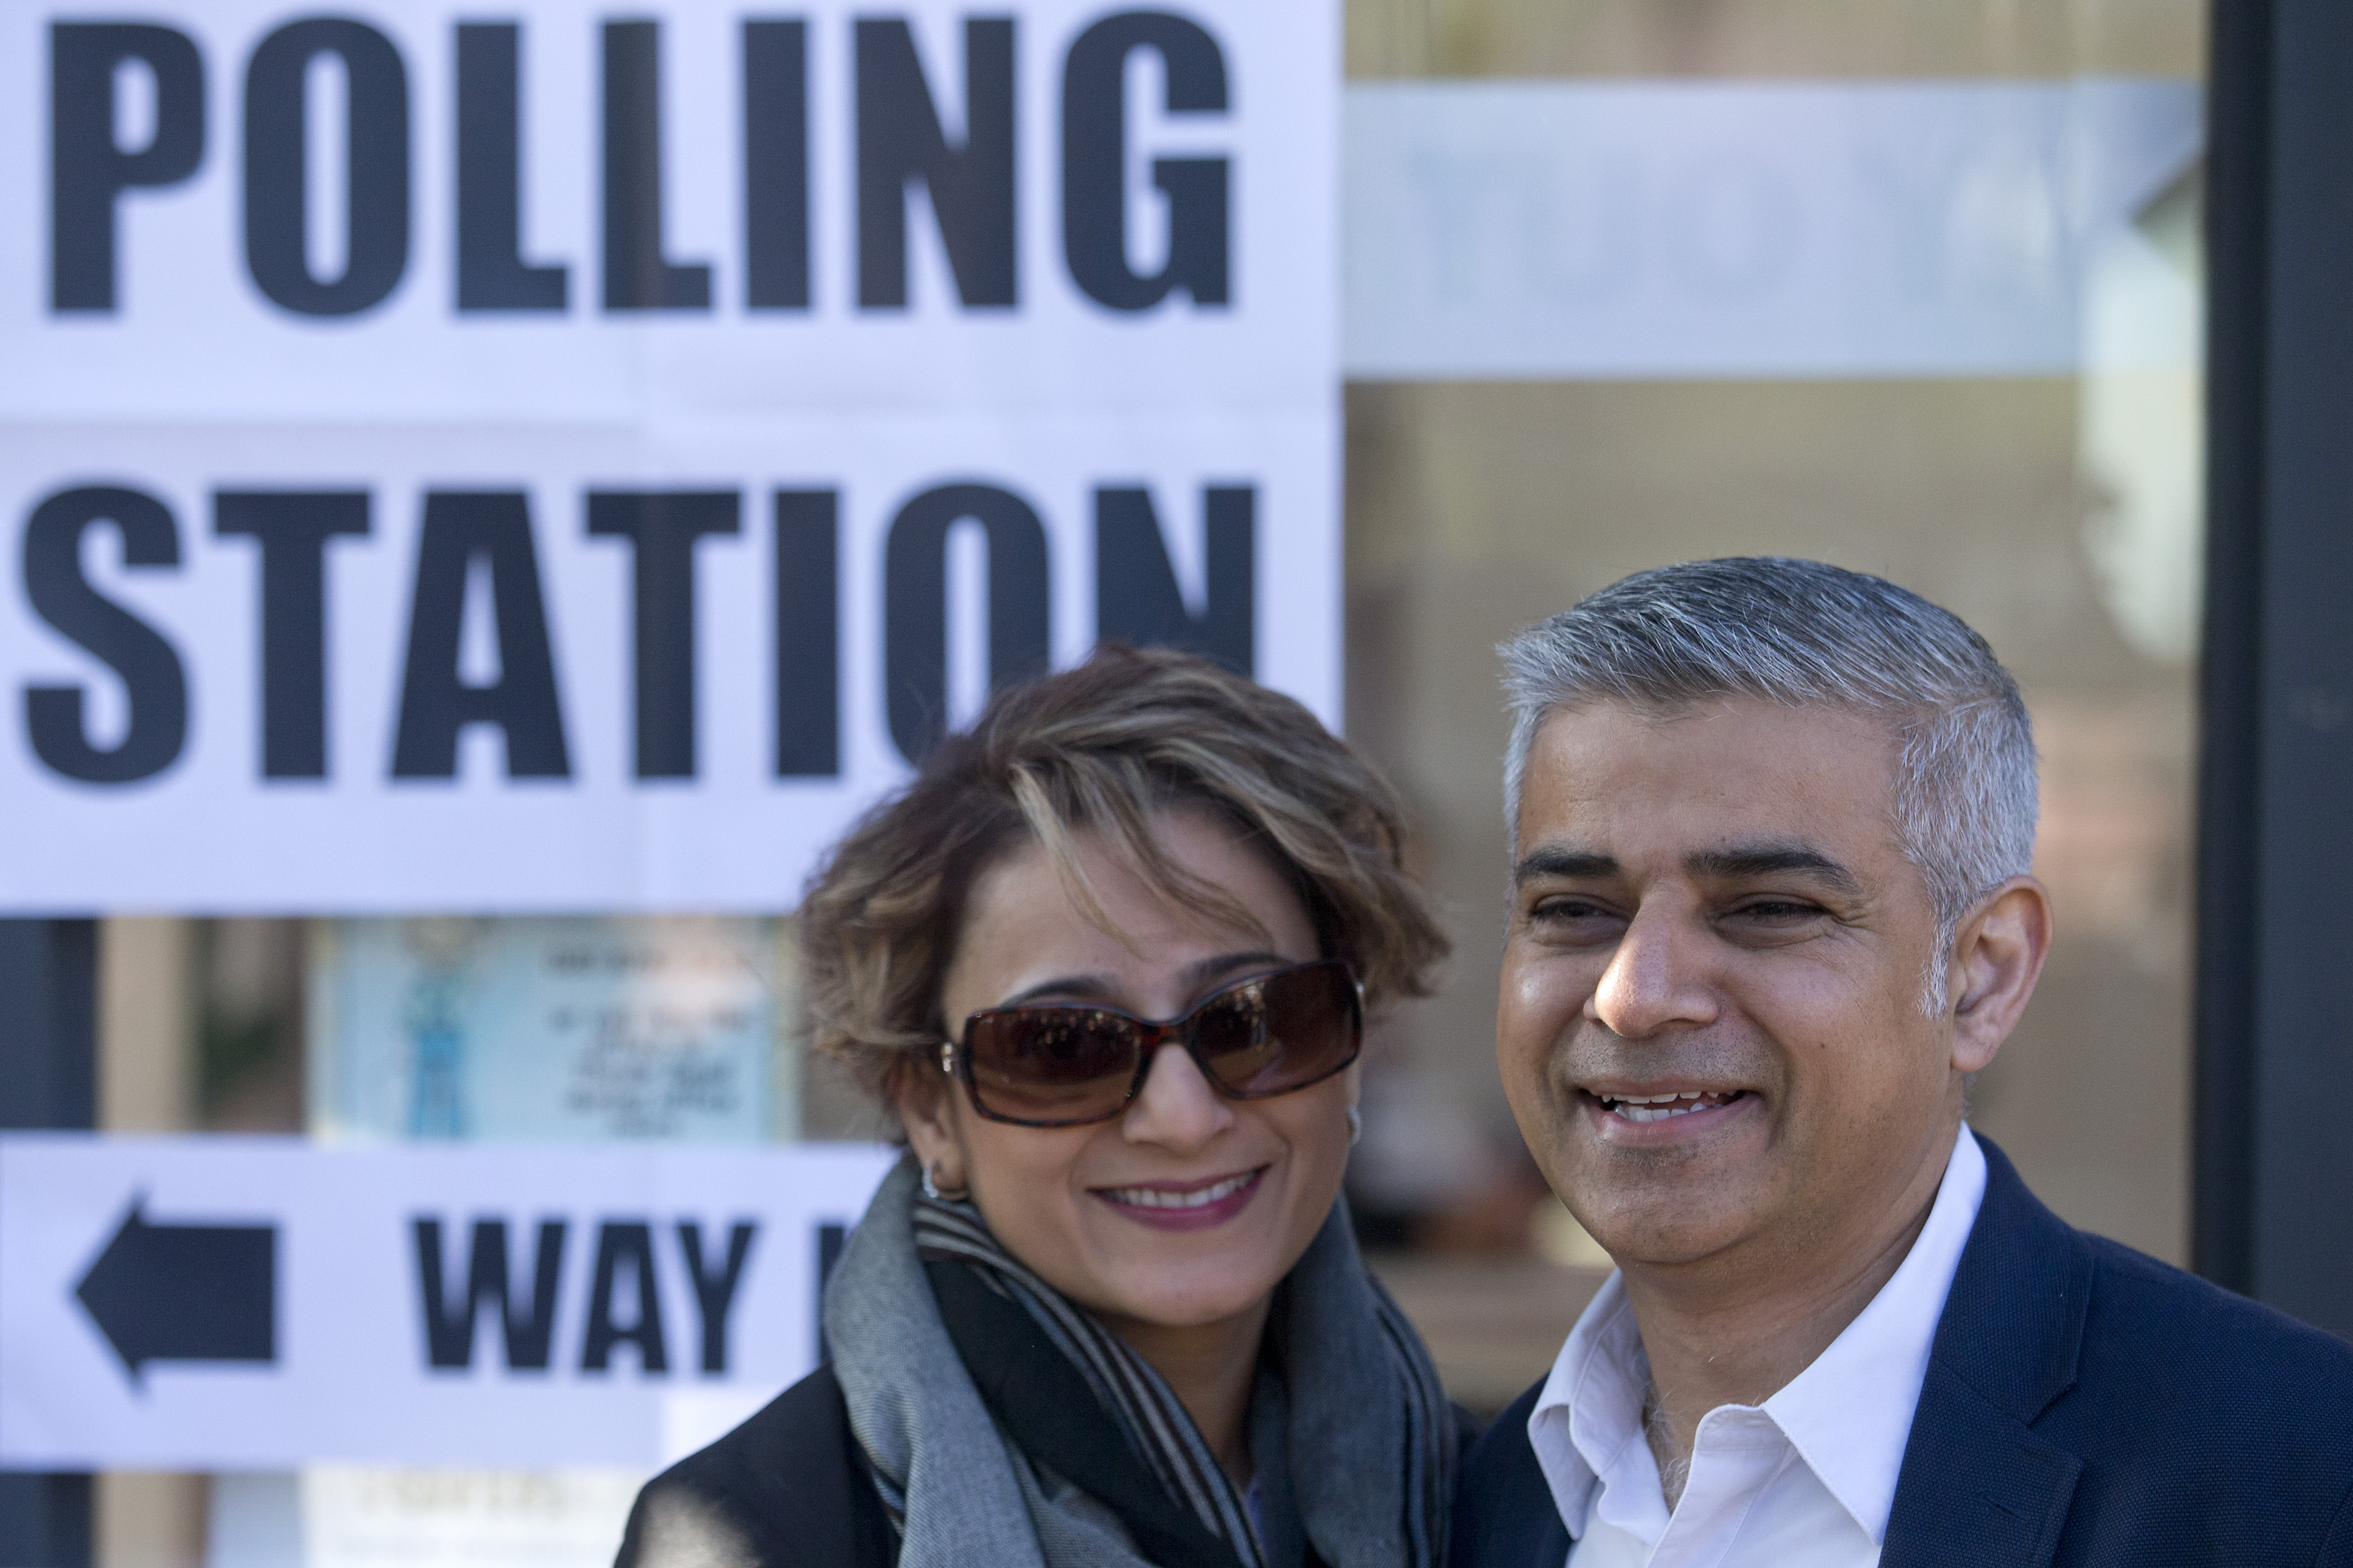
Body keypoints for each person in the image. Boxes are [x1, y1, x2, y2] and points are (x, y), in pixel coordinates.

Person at [1453, 559, 2353, 1567]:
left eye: (1769, 908)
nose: (1634, 994)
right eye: (1574, 909)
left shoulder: (2300, 1493)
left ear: (1983, 977)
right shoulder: (1475, 1501)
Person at [616, 645, 1464, 1568]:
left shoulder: (1499, 1503)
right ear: (930, 1110)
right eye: (1064, 1046)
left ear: (1350, 1047)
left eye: (1252, 1021)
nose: (1183, 1119)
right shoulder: (745, 1538)